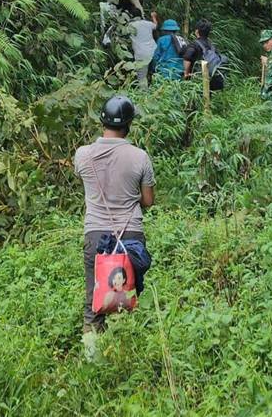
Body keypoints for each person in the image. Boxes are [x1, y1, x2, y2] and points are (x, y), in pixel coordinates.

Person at [74, 96, 155, 359]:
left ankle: (92, 359)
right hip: (130, 236)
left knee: (93, 300)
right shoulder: (140, 157)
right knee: (128, 295)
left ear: (102, 121)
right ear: (129, 125)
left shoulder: (83, 155)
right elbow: (149, 201)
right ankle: (129, 354)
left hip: (95, 235)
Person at [181, 19, 225, 91]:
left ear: (197, 31)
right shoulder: (212, 46)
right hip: (211, 79)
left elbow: (187, 57)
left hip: (197, 80)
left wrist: (186, 73)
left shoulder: (194, 44)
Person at [128, 12, 158, 88]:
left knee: (142, 77)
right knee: (156, 73)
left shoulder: (129, 26)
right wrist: (153, 16)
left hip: (141, 54)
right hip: (154, 51)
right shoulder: (148, 23)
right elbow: (155, 25)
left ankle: (144, 96)